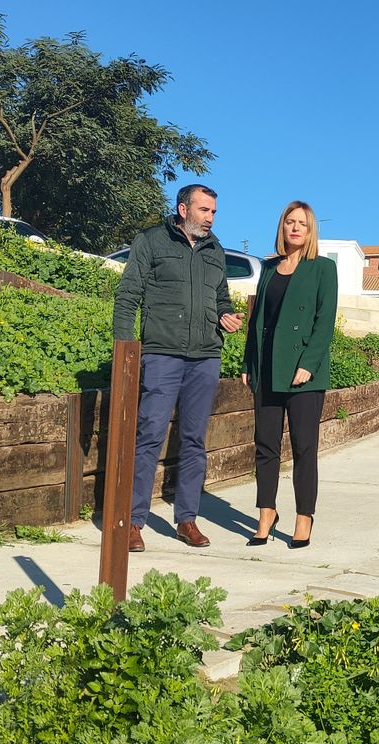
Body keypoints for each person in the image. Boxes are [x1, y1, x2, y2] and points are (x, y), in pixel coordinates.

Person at [113, 184, 243, 552]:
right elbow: (128, 295)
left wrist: (225, 315)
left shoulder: (215, 249)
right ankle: (133, 521)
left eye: (213, 212)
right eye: (204, 210)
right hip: (162, 354)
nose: (210, 218)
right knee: (150, 434)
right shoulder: (151, 241)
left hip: (206, 356)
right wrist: (125, 349)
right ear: (183, 209)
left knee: (194, 440)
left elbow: (221, 296)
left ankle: (186, 519)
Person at [243, 201, 337, 549]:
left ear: (311, 231)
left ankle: (303, 515)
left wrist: (308, 363)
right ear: (282, 227)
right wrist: (248, 363)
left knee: (303, 446)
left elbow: (324, 321)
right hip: (267, 367)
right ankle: (266, 512)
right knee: (265, 445)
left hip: (304, 371)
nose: (295, 228)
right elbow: (258, 320)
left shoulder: (323, 268)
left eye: (302, 223)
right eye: (290, 222)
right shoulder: (269, 267)